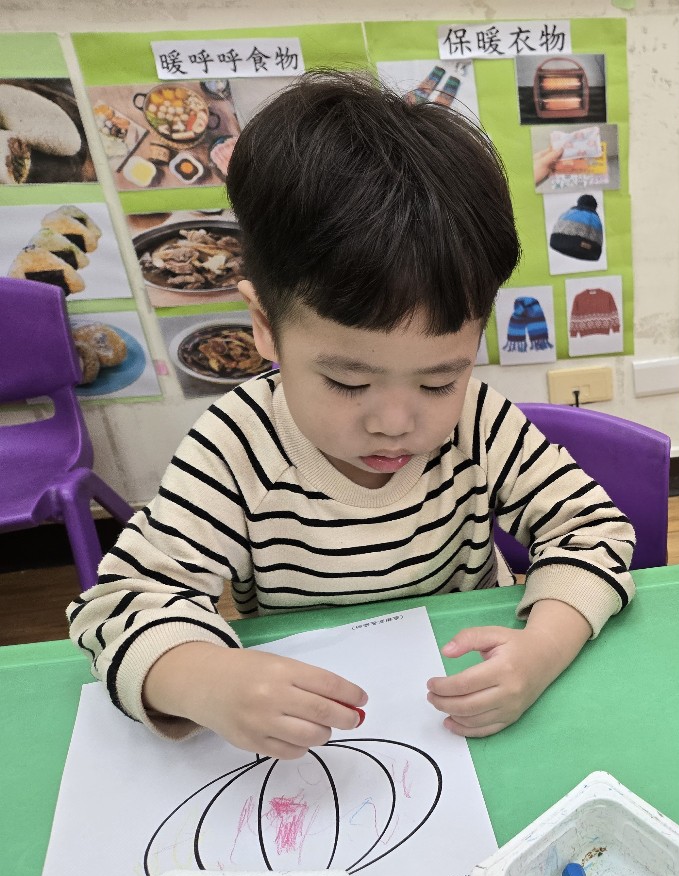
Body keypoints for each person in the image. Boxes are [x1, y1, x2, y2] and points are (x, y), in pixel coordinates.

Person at [67, 72, 636, 758]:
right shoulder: (236, 448)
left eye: (439, 380)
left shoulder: (477, 424)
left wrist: (542, 647)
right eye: (347, 380)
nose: (395, 422)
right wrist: (205, 681)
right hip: (314, 741)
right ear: (264, 326)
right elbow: (119, 606)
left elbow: (592, 528)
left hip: (459, 716)